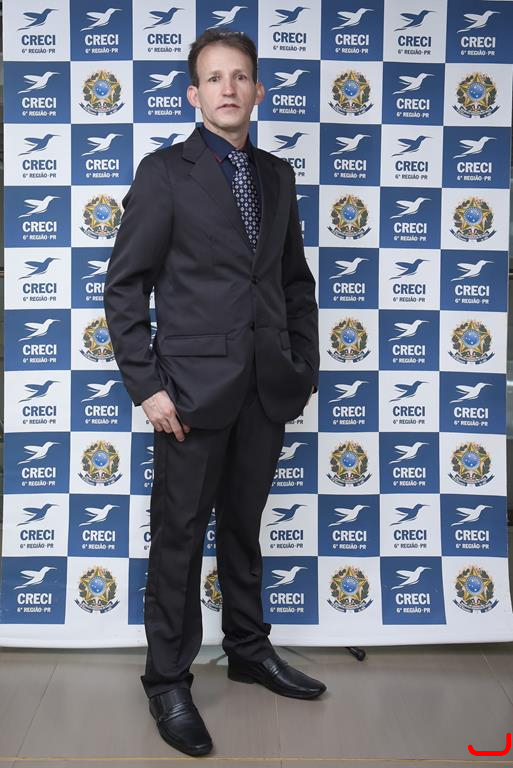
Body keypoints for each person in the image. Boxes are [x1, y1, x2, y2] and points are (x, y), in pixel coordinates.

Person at [104, 28, 325, 758]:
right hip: (189, 396)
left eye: (240, 76)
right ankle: (167, 680)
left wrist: (300, 364)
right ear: (193, 95)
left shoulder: (277, 175)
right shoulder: (166, 173)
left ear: (257, 90)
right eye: (213, 78)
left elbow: (292, 281)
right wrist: (147, 388)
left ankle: (248, 649)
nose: (228, 88)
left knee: (243, 529)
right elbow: (124, 287)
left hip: (266, 388)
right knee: (179, 537)